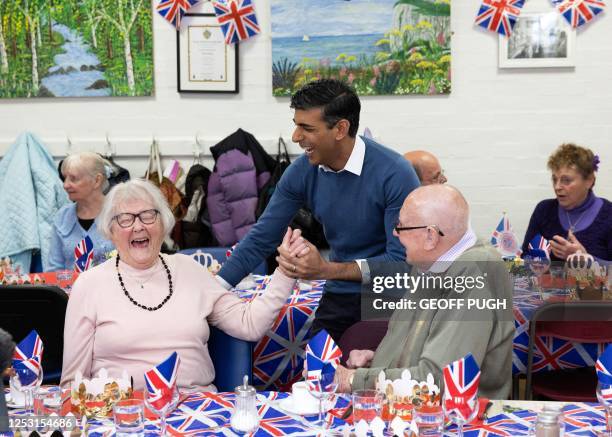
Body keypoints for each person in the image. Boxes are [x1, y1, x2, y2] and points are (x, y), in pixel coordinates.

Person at [216, 79, 420, 341]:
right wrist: (213, 290)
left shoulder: (395, 172)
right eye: (296, 125)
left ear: (340, 129)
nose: (295, 137)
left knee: (372, 375)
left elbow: (402, 265)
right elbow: (262, 237)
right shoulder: (302, 171)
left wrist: (325, 270)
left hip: (390, 296)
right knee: (314, 373)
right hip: (341, 293)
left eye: (306, 128)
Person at [61, 179, 297, 391]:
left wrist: (286, 271)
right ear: (111, 232)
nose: (138, 226)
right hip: (123, 412)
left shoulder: (190, 270)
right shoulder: (89, 285)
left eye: (148, 215)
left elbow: (250, 324)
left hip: (195, 410)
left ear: (163, 224)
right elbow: (73, 382)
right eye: (125, 219)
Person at [290, 185, 513, 398]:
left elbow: (438, 382)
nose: (395, 234)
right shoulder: (431, 261)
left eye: (401, 227)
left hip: (454, 421)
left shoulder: (473, 274)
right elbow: (419, 343)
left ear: (430, 236)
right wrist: (378, 360)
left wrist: (353, 380)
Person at [522, 143, 611, 262]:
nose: (557, 187)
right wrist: (535, 265)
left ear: (589, 181)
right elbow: (525, 257)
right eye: (554, 179)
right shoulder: (544, 210)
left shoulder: (609, 215)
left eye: (566, 180)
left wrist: (587, 261)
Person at [47, 152, 116, 271]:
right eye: (64, 178)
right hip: (68, 289)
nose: (65, 185)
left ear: (97, 181)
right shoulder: (62, 217)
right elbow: (54, 269)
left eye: (73, 179)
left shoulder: (119, 214)